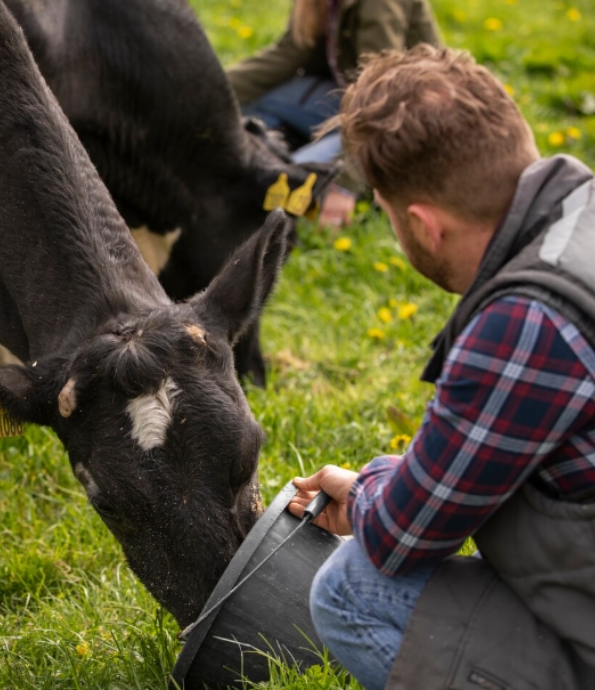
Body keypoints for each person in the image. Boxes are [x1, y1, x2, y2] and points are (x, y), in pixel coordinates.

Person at [288, 45, 595, 690]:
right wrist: (383, 483)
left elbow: (404, 538)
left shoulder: (526, 323)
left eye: (391, 216)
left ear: (424, 226)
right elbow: (499, 455)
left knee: (352, 589)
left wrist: (372, 493)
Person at [225, 0, 441, 228]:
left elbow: (382, 99)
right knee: (253, 102)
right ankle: (287, 147)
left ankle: (363, 177)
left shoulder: (381, 4)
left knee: (284, 182)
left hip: (400, 123)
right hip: (344, 102)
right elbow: (289, 53)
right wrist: (208, 91)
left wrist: (344, 185)